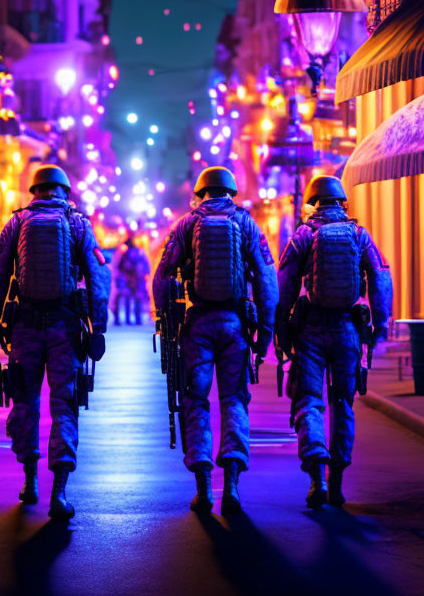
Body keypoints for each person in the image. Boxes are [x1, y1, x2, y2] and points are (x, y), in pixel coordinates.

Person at [0, 164, 110, 521]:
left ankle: (29, 481)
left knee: (24, 402)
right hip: (64, 328)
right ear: (63, 191)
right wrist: (97, 326)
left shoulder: (17, 222)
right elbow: (97, 276)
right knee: (65, 405)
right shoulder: (77, 223)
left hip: (24, 327)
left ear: (35, 190)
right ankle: (60, 492)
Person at [152, 166, 278, 514]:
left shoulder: (186, 224)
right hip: (236, 325)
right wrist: (265, 332)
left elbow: (162, 275)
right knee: (235, 400)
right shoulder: (246, 223)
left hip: (199, 326)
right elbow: (267, 279)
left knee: (195, 401)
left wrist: (165, 320)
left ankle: (204, 487)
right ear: (231, 191)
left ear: (201, 192)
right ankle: (233, 487)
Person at [276, 175, 392, 508]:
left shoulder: (304, 235)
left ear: (313, 202)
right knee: (343, 403)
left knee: (309, 401)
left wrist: (280, 332)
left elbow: (284, 286)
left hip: (311, 330)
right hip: (348, 332)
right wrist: (380, 325)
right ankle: (338, 483)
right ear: (342, 202)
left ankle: (317, 478)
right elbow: (380, 278)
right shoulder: (360, 234)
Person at [112, 237, 151, 325]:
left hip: (129, 279)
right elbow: (145, 266)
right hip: (137, 279)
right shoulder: (140, 253)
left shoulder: (126, 254)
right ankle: (137, 319)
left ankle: (128, 319)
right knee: (137, 299)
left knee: (127, 299)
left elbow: (120, 267)